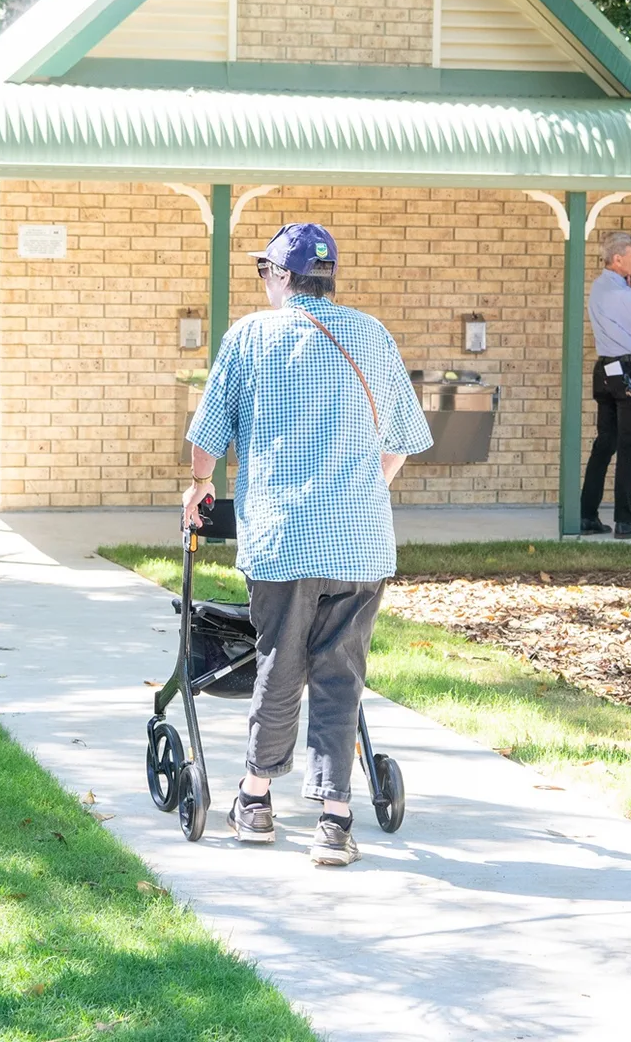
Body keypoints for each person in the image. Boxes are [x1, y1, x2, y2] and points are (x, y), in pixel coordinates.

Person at [183, 223, 432, 867]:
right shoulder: (372, 336)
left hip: (281, 539)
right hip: (359, 543)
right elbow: (401, 437)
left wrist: (200, 484)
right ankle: (334, 818)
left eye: (267, 271)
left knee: (279, 665)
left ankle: (258, 798)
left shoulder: (250, 338)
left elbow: (208, 437)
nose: (264, 282)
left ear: (285, 277)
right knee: (340, 672)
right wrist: (362, 488)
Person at [579, 230, 631, 539]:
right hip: (630, 371)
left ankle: (587, 514)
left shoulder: (598, 288)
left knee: (605, 443)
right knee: (629, 445)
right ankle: (624, 519)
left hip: (605, 369)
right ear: (618, 259)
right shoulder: (623, 294)